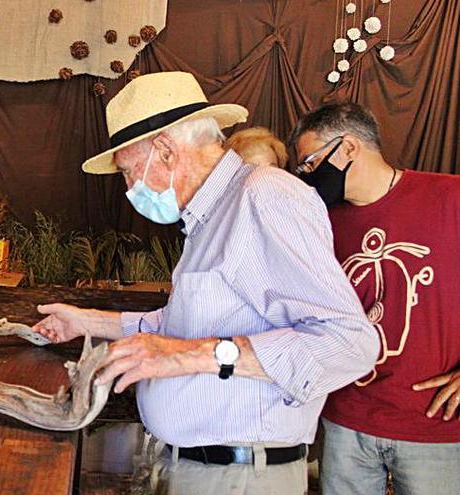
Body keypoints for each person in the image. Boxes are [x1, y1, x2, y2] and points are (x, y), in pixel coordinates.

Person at [31, 72, 379, 494]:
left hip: (240, 477)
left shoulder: (263, 197)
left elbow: (348, 343)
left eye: (128, 172)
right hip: (206, 471)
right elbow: (179, 326)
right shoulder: (209, 218)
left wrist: (186, 357)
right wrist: (85, 321)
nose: (128, 189)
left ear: (165, 151)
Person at [291, 102, 460, 495]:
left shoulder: (450, 197)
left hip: (434, 424)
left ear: (348, 147)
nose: (308, 176)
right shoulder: (318, 220)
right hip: (346, 421)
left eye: (312, 162)